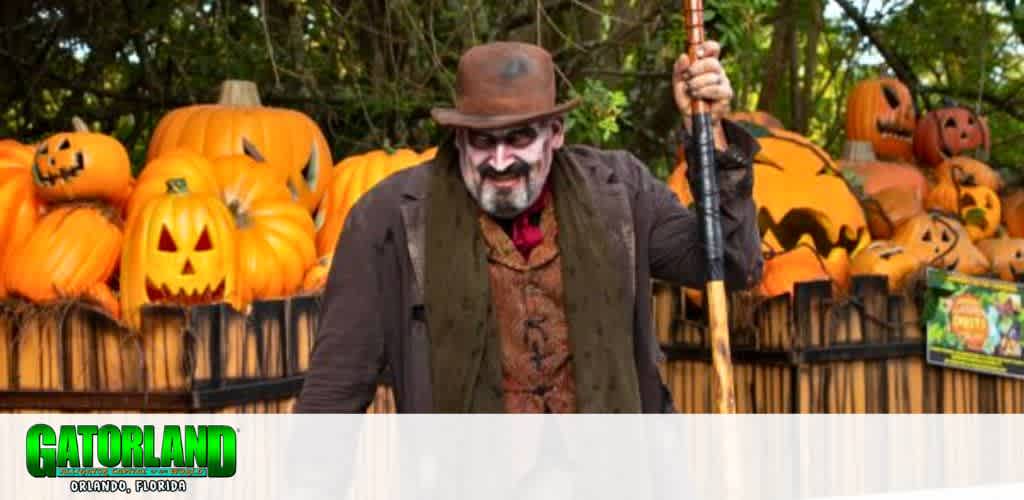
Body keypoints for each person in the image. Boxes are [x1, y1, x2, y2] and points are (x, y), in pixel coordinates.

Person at [295, 40, 762, 413]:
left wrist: (711, 133)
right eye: (482, 140)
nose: (500, 161)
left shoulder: (621, 192)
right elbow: (335, 391)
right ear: (459, 138)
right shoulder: (390, 220)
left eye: (519, 138)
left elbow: (729, 262)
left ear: (555, 134)